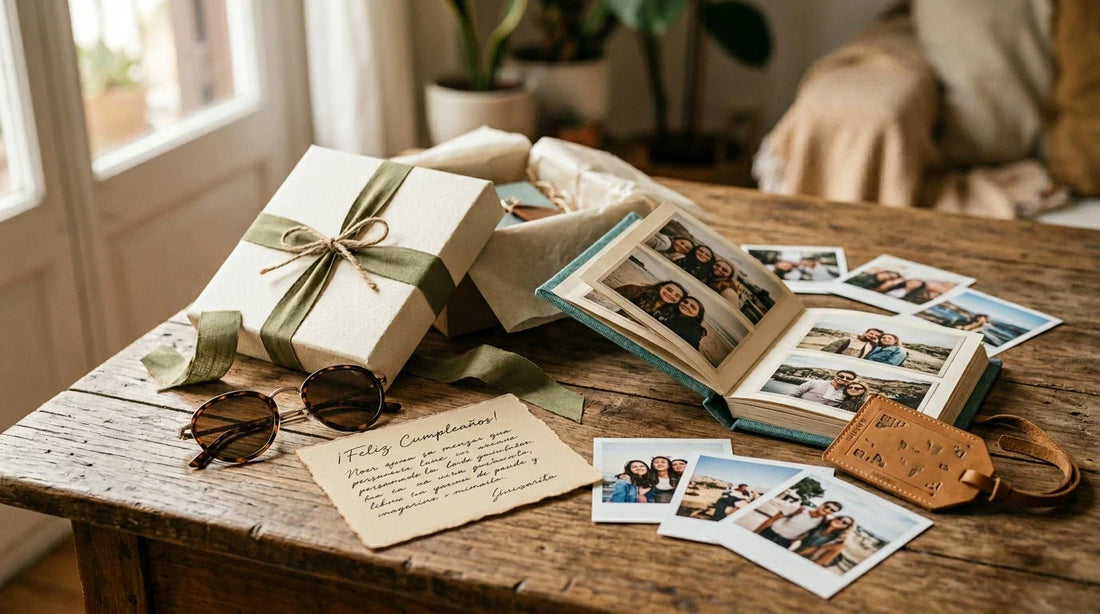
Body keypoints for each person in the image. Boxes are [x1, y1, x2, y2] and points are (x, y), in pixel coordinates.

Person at [755, 500, 843, 548]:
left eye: (832, 510)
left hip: (784, 542)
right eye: (827, 506)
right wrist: (755, 533)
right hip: (769, 533)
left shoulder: (822, 522)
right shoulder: (799, 508)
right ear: (821, 504)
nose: (827, 510)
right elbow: (771, 520)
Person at [708, 259, 764, 324]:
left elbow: (731, 315)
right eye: (717, 265)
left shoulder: (728, 291)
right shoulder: (711, 280)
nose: (719, 269)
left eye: (724, 270)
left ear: (729, 276)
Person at [788, 370, 858, 407]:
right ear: (835, 376)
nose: (844, 379)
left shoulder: (849, 392)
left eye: (848, 378)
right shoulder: (815, 383)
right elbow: (793, 394)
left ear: (852, 381)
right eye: (841, 376)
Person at [615, 281, 685, 316]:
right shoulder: (635, 290)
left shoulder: (670, 314)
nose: (671, 295)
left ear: (679, 301)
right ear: (661, 287)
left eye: (677, 296)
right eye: (669, 290)